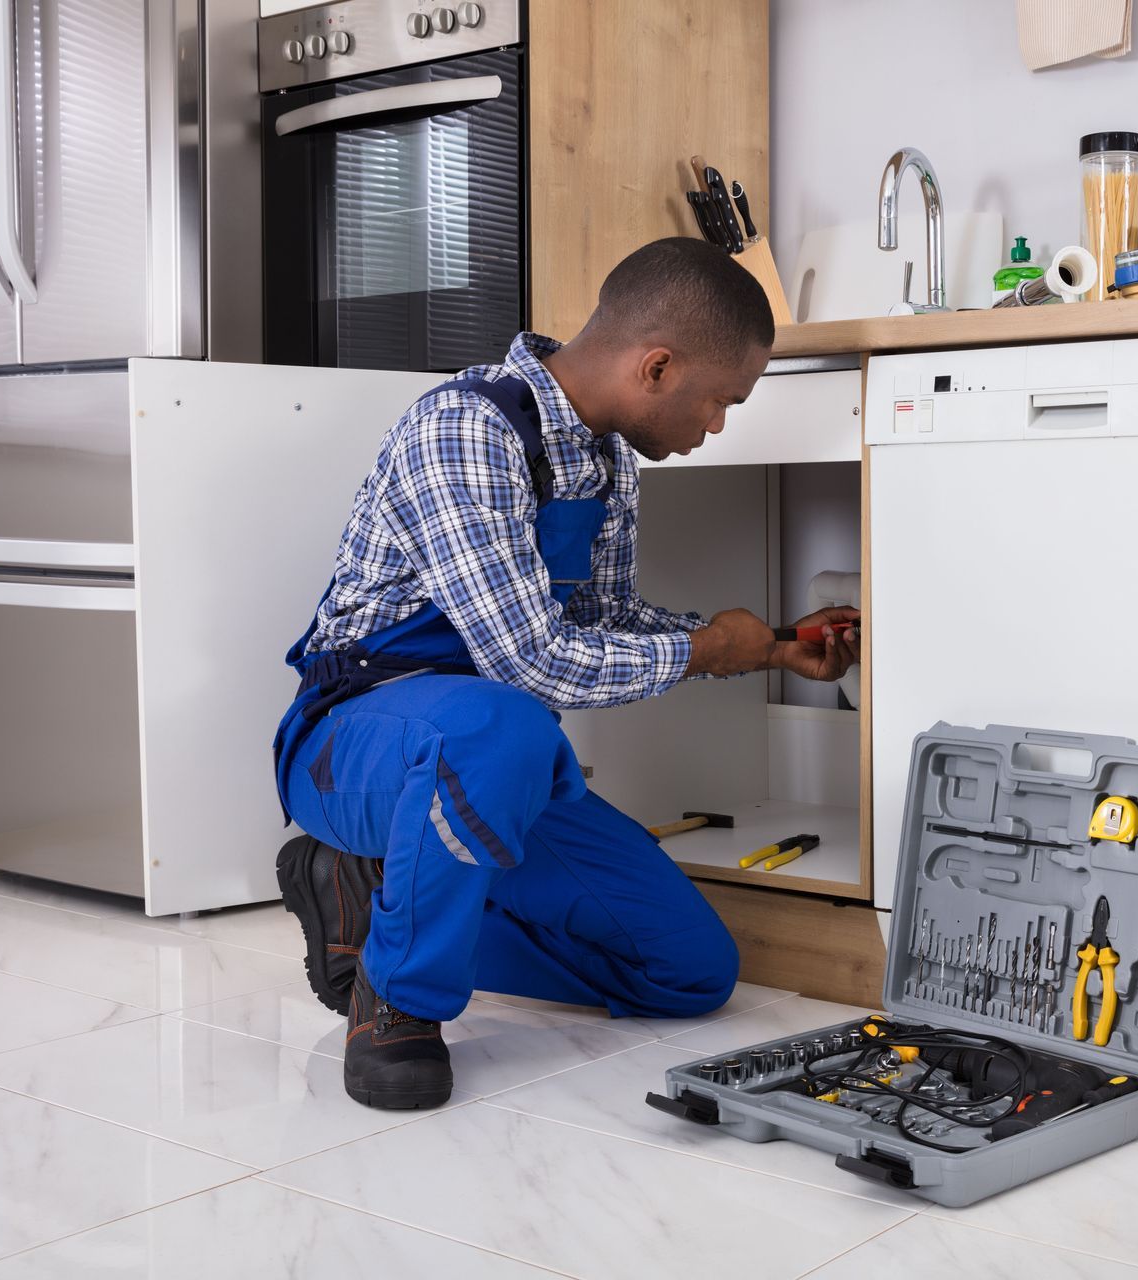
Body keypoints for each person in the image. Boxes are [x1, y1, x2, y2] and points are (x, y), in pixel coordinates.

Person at [270, 238, 858, 1110]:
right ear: (657, 366)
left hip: (485, 768)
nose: (719, 425)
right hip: (359, 740)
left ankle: (369, 902)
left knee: (688, 969)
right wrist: (704, 651)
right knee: (510, 724)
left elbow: (600, 624)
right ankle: (397, 1006)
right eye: (721, 401)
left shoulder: (604, 455)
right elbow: (530, 657)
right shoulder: (465, 428)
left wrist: (767, 646)